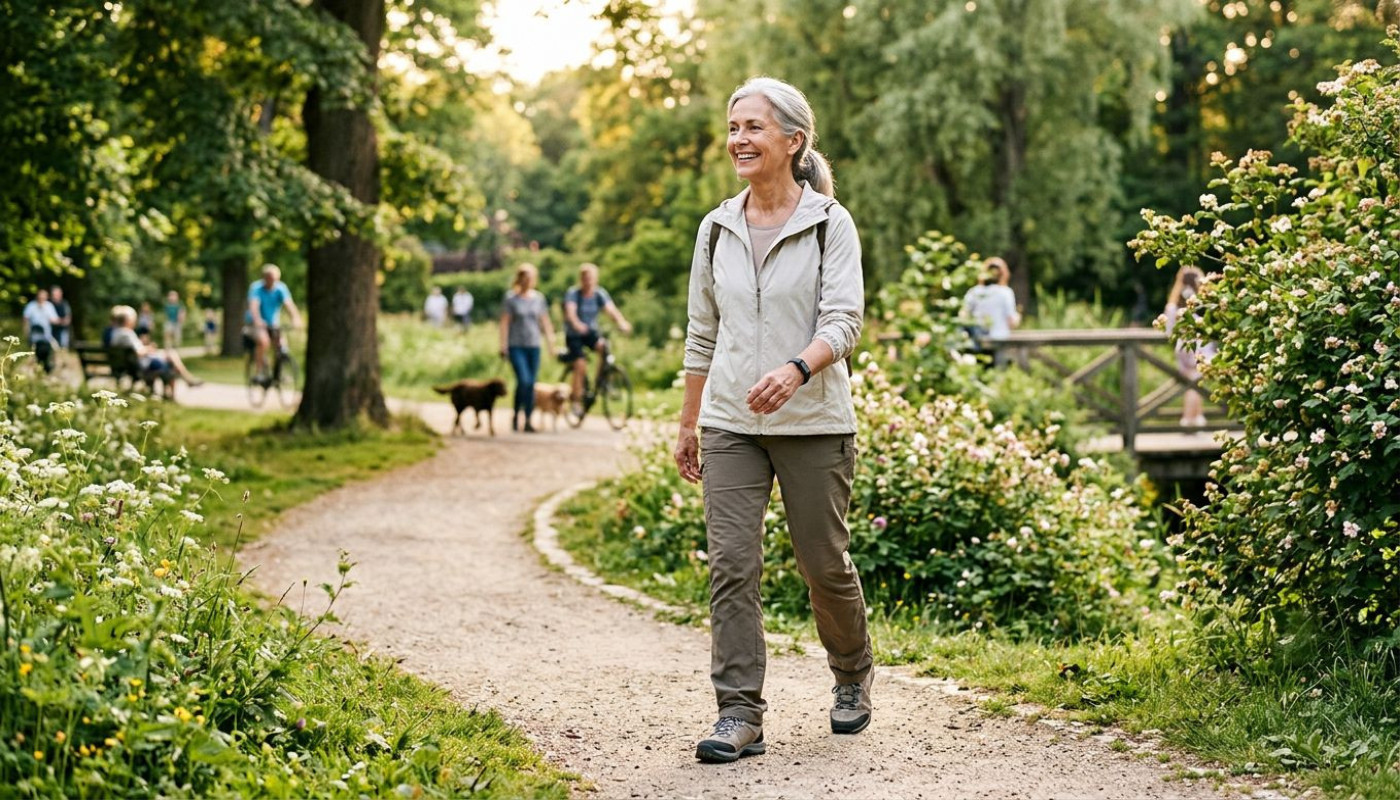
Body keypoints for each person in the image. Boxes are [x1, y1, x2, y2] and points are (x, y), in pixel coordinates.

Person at [675, 76, 872, 764]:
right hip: (731, 422)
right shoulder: (716, 226)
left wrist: (795, 370)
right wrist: (689, 422)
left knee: (824, 565)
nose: (739, 139)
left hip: (814, 420)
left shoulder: (828, 223)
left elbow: (845, 322)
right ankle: (739, 712)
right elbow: (702, 332)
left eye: (754, 127)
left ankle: (851, 675)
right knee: (732, 566)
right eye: (733, 127)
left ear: (794, 140)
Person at [562, 262, 633, 411]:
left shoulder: (599, 293)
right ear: (581, 279)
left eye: (591, 278)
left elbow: (611, 310)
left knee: (604, 347)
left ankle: (600, 381)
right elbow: (570, 312)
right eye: (585, 278)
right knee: (580, 363)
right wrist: (576, 324)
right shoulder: (573, 294)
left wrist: (622, 323)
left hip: (590, 332)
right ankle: (575, 400)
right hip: (574, 334)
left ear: (596, 279)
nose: (588, 281)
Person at [498, 263, 555, 433]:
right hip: (516, 345)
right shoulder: (511, 299)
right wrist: (503, 345)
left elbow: (545, 321)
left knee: (530, 384)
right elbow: (504, 323)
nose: (527, 281)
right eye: (524, 278)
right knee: (524, 380)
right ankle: (516, 414)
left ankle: (528, 419)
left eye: (530, 278)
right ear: (519, 279)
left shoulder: (539, 298)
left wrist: (551, 342)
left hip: (533, 345)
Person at [107, 305, 203, 397]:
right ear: (127, 320)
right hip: (142, 366)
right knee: (171, 361)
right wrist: (149, 348)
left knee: (171, 354)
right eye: (132, 319)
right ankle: (182, 385)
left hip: (131, 365)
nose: (134, 321)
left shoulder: (115, 333)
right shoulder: (127, 333)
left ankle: (185, 381)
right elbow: (139, 352)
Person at [1164, 265, 1215, 427]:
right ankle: (1190, 419)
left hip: (1183, 349)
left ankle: (1195, 417)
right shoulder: (1201, 304)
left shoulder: (1172, 307)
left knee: (1192, 383)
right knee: (1194, 383)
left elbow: (1169, 331)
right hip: (1199, 349)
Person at [960, 257, 1021, 365]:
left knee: (980, 371)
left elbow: (963, 315)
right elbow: (1012, 322)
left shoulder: (974, 291)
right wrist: (1018, 318)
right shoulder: (1005, 293)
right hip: (999, 339)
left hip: (978, 340)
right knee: (999, 372)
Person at [246, 263, 303, 381]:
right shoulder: (256, 288)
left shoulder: (281, 288)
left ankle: (279, 373)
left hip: (273, 322)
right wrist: (257, 320)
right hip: (256, 323)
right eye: (269, 279)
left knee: (281, 346)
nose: (271, 282)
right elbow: (254, 306)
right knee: (264, 341)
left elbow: (289, 305)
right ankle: (259, 372)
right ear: (264, 278)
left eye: (274, 280)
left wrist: (296, 319)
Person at [22, 289, 59, 374]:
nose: (42, 298)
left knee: (55, 349)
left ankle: (53, 368)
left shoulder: (49, 306)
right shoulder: (31, 306)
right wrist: (26, 333)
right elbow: (25, 319)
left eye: (44, 296)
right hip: (34, 337)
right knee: (33, 354)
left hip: (47, 336)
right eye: (40, 296)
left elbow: (54, 319)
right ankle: (33, 370)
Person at [49, 286, 72, 351]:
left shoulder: (64, 304)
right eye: (54, 294)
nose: (56, 296)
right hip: (51, 331)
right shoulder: (49, 304)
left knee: (63, 348)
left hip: (62, 330)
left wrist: (58, 321)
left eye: (57, 294)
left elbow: (68, 319)